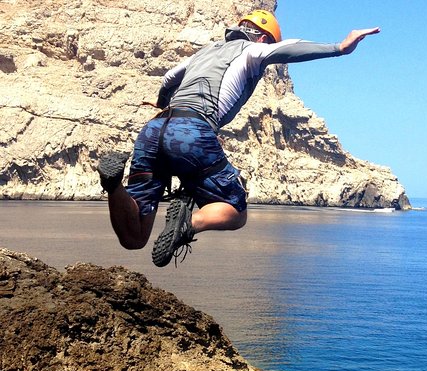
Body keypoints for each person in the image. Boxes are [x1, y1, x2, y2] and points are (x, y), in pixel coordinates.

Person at [97, 9, 381, 267]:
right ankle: (189, 221)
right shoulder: (252, 50)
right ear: (262, 37)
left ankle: (113, 185)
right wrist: (338, 48)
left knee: (134, 238)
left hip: (153, 129)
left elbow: (169, 79)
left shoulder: (204, 53)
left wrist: (162, 105)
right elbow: (290, 48)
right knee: (236, 210)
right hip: (192, 130)